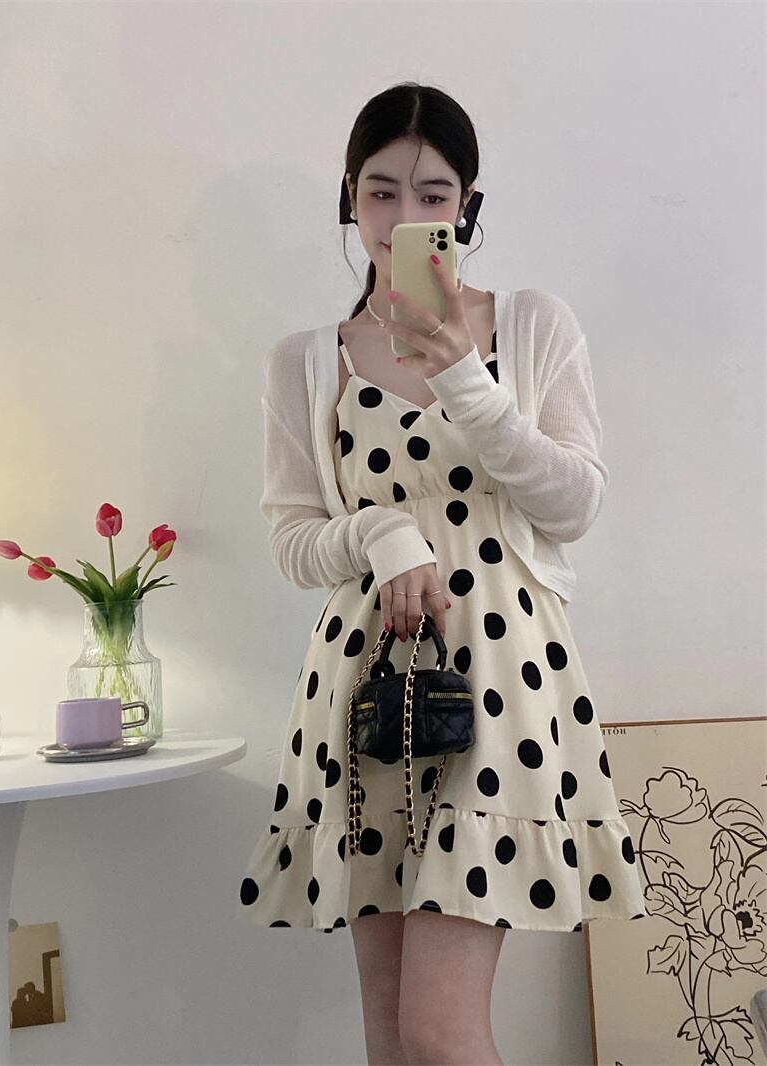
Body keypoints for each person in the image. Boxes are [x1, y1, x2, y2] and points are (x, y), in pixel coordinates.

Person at [239, 81, 647, 1066]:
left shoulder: (531, 327)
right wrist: (379, 531)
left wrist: (465, 374)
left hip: (501, 677)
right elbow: (293, 539)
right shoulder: (306, 362)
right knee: (390, 1030)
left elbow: (573, 504)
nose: (403, 216)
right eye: (381, 192)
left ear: (466, 206)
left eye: (432, 195)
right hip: (362, 684)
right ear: (349, 197)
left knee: (437, 1027)